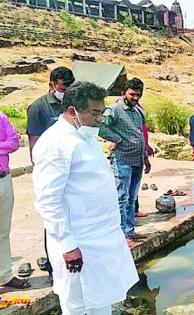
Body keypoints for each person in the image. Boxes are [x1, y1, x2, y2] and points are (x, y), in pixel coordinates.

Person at [32, 81, 138, 315]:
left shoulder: (83, 136)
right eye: (95, 113)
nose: (101, 119)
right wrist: (68, 244)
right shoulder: (56, 143)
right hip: (78, 241)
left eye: (102, 112)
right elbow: (48, 199)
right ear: (73, 111)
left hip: (100, 238)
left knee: (101, 301)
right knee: (78, 305)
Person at [26, 66, 75, 280]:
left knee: (70, 216)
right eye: (63, 88)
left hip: (71, 170)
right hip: (51, 171)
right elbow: (34, 144)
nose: (66, 91)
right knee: (52, 219)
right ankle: (54, 268)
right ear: (52, 85)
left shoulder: (70, 105)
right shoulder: (38, 108)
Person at [99, 78, 151, 241]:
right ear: (124, 93)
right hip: (122, 159)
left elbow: (140, 134)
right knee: (122, 196)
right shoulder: (114, 110)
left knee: (132, 196)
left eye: (138, 95)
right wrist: (117, 139)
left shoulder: (138, 111)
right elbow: (100, 127)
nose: (135, 98)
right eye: (132, 94)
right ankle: (121, 233)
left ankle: (129, 230)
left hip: (137, 160)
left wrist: (145, 158)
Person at [0, 111, 31, 290]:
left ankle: (4, 275)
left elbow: (14, 142)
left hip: (4, 178)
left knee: (3, 230)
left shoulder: (1, 117)